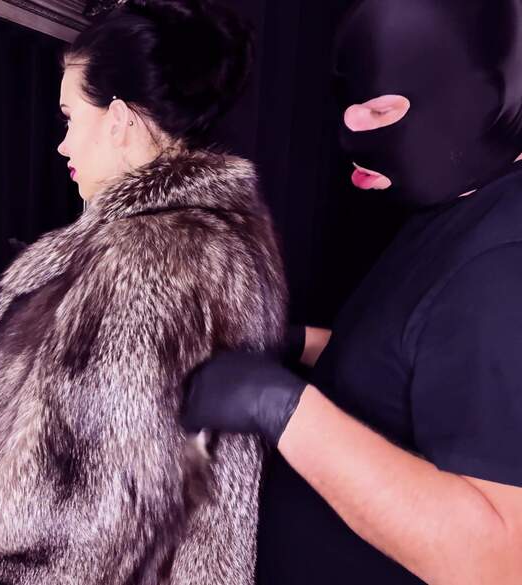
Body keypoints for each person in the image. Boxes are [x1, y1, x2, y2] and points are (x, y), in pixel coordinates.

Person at [0, 1, 287, 584]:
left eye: (70, 117)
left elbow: (62, 523)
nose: (63, 144)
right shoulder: (235, 243)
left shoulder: (137, 261)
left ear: (118, 119)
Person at [183, 1, 522, 583]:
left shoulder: (503, 264)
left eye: (381, 109)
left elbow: (498, 560)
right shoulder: (453, 208)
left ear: (485, 99)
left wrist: (282, 407)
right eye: (351, 103)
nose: (349, 131)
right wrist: (294, 343)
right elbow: (412, 364)